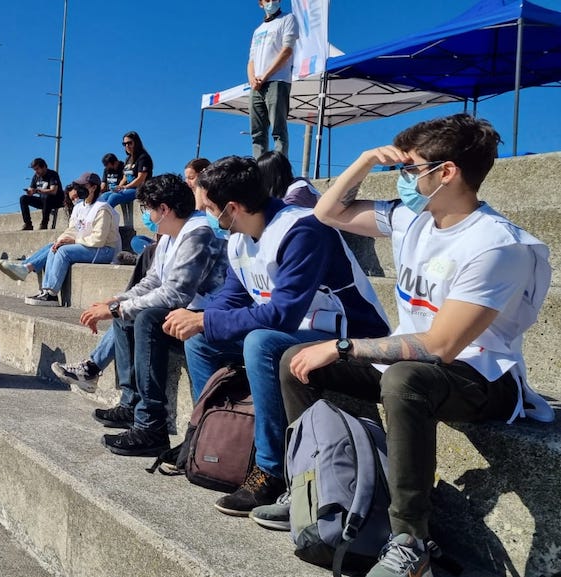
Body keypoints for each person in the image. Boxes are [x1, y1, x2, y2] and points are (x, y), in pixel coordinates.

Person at [267, 114, 552, 577]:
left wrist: (343, 347)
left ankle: (410, 541)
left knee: (404, 377)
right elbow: (327, 213)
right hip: (416, 362)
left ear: (447, 172)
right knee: (295, 359)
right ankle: (315, 488)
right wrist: (362, 162)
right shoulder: (412, 218)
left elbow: (441, 345)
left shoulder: (497, 246)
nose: (402, 178)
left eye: (411, 168)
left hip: (484, 376)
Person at [161, 155, 390, 517]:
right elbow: (232, 299)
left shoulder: (304, 229)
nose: (203, 213)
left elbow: (282, 316)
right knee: (201, 340)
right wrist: (198, 317)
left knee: (260, 342)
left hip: (350, 338)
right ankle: (206, 435)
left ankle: (269, 471)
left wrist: (205, 320)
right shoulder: (238, 236)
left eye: (207, 207)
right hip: (296, 334)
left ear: (232, 208)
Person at [79, 174, 226, 457]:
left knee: (146, 318)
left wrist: (115, 308)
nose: (146, 215)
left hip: (207, 319)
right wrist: (118, 301)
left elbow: (175, 294)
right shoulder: (171, 236)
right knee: (127, 315)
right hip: (183, 313)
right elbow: (153, 280)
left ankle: (151, 426)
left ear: (165, 209)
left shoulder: (199, 233)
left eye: (148, 209)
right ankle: (131, 403)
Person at [0, 172, 121, 306]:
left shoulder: (103, 209)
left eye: (82, 186)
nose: (78, 189)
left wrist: (73, 241)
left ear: (93, 187)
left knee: (63, 252)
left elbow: (99, 239)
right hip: (87, 245)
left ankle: (51, 294)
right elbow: (72, 230)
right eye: (77, 185)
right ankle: (45, 291)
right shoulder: (80, 207)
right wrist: (61, 241)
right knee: (55, 247)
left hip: (104, 250)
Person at [248, 0, 298, 158]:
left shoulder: (287, 19)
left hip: (278, 80)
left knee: (278, 129)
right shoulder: (258, 30)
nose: (272, 2)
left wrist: (266, 75)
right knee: (257, 132)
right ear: (261, 4)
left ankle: (279, 167)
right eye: (267, 0)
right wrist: (252, 79)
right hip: (257, 86)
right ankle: (259, 169)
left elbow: (286, 51)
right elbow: (251, 60)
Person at [100, 131, 153, 208]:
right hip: (127, 188)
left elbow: (141, 179)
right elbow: (125, 177)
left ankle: (105, 218)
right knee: (104, 196)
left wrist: (126, 187)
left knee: (114, 197)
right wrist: (119, 187)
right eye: (124, 144)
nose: (127, 146)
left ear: (136, 142)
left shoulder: (143, 157)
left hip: (140, 189)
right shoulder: (128, 159)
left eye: (129, 143)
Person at [19, 157, 63, 230]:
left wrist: (38, 190)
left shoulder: (52, 174)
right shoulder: (35, 177)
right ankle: (28, 224)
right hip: (43, 201)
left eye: (37, 169)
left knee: (47, 196)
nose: (36, 172)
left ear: (44, 167)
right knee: (23, 198)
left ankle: (44, 224)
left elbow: (53, 191)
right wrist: (30, 192)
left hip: (56, 200)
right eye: (34, 170)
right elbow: (32, 190)